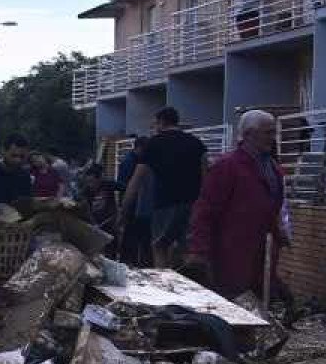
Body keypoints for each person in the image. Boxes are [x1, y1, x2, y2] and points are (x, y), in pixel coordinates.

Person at [188, 109, 288, 299]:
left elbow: (272, 207)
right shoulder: (228, 166)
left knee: (257, 306)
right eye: (267, 133)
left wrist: (278, 232)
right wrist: (199, 249)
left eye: (273, 132)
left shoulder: (272, 168)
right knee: (231, 303)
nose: (272, 138)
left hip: (260, 253)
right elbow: (205, 210)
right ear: (249, 134)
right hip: (230, 252)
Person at [119, 106, 207, 267]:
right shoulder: (196, 143)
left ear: (161, 122)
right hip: (192, 204)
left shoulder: (153, 144)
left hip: (164, 204)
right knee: (188, 251)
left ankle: (164, 284)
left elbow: (136, 181)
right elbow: (206, 175)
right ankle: (189, 284)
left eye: (155, 125)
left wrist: (124, 210)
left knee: (159, 246)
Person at [115, 135, 153, 266]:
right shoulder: (130, 162)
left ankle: (130, 262)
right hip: (133, 204)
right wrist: (124, 208)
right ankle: (128, 263)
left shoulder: (134, 160)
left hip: (136, 204)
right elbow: (125, 186)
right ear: (139, 148)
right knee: (131, 236)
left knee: (132, 236)